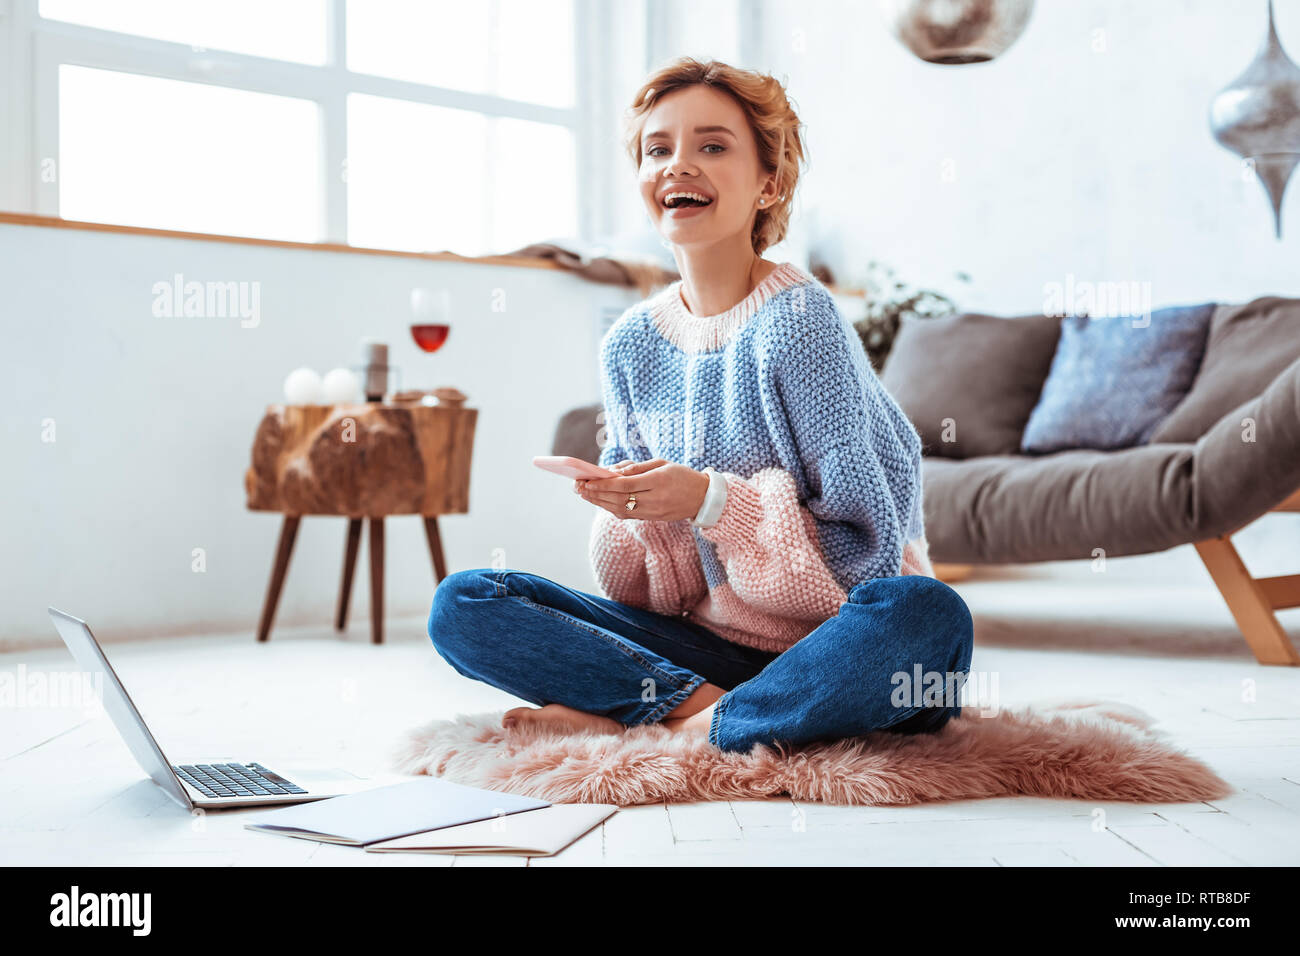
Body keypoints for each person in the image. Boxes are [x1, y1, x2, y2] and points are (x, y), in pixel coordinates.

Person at [428, 57, 973, 754]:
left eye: (712, 146)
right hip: (708, 653)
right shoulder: (630, 345)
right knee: (467, 602)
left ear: (767, 183)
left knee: (926, 612)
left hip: (846, 647)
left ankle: (674, 727)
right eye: (659, 150)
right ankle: (714, 716)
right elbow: (648, 599)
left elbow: (859, 568)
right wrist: (636, 515)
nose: (678, 166)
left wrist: (712, 502)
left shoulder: (802, 322)